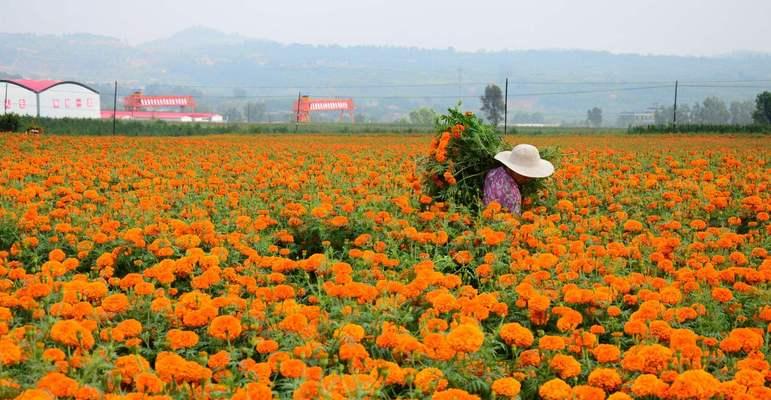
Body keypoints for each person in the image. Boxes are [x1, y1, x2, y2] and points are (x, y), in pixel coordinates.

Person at [483, 144, 554, 214]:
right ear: (514, 169)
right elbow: (513, 222)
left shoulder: (493, 173)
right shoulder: (512, 196)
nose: (529, 178)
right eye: (525, 175)